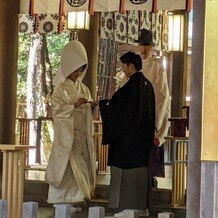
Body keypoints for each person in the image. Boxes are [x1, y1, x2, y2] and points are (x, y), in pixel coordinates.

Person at [98, 52, 156, 214]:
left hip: (127, 144)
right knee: (140, 174)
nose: (123, 70)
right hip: (142, 142)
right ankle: (142, 208)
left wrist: (102, 104)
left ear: (131, 66)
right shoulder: (147, 85)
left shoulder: (131, 87)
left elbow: (117, 109)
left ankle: (126, 208)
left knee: (125, 176)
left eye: (124, 66)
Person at [45, 40, 96, 208]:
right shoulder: (60, 89)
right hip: (67, 134)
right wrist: (74, 105)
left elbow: (87, 109)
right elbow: (56, 108)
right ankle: (59, 199)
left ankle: (76, 198)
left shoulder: (85, 89)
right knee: (66, 166)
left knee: (79, 167)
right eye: (75, 68)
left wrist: (90, 106)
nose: (78, 72)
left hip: (80, 134)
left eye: (80, 68)